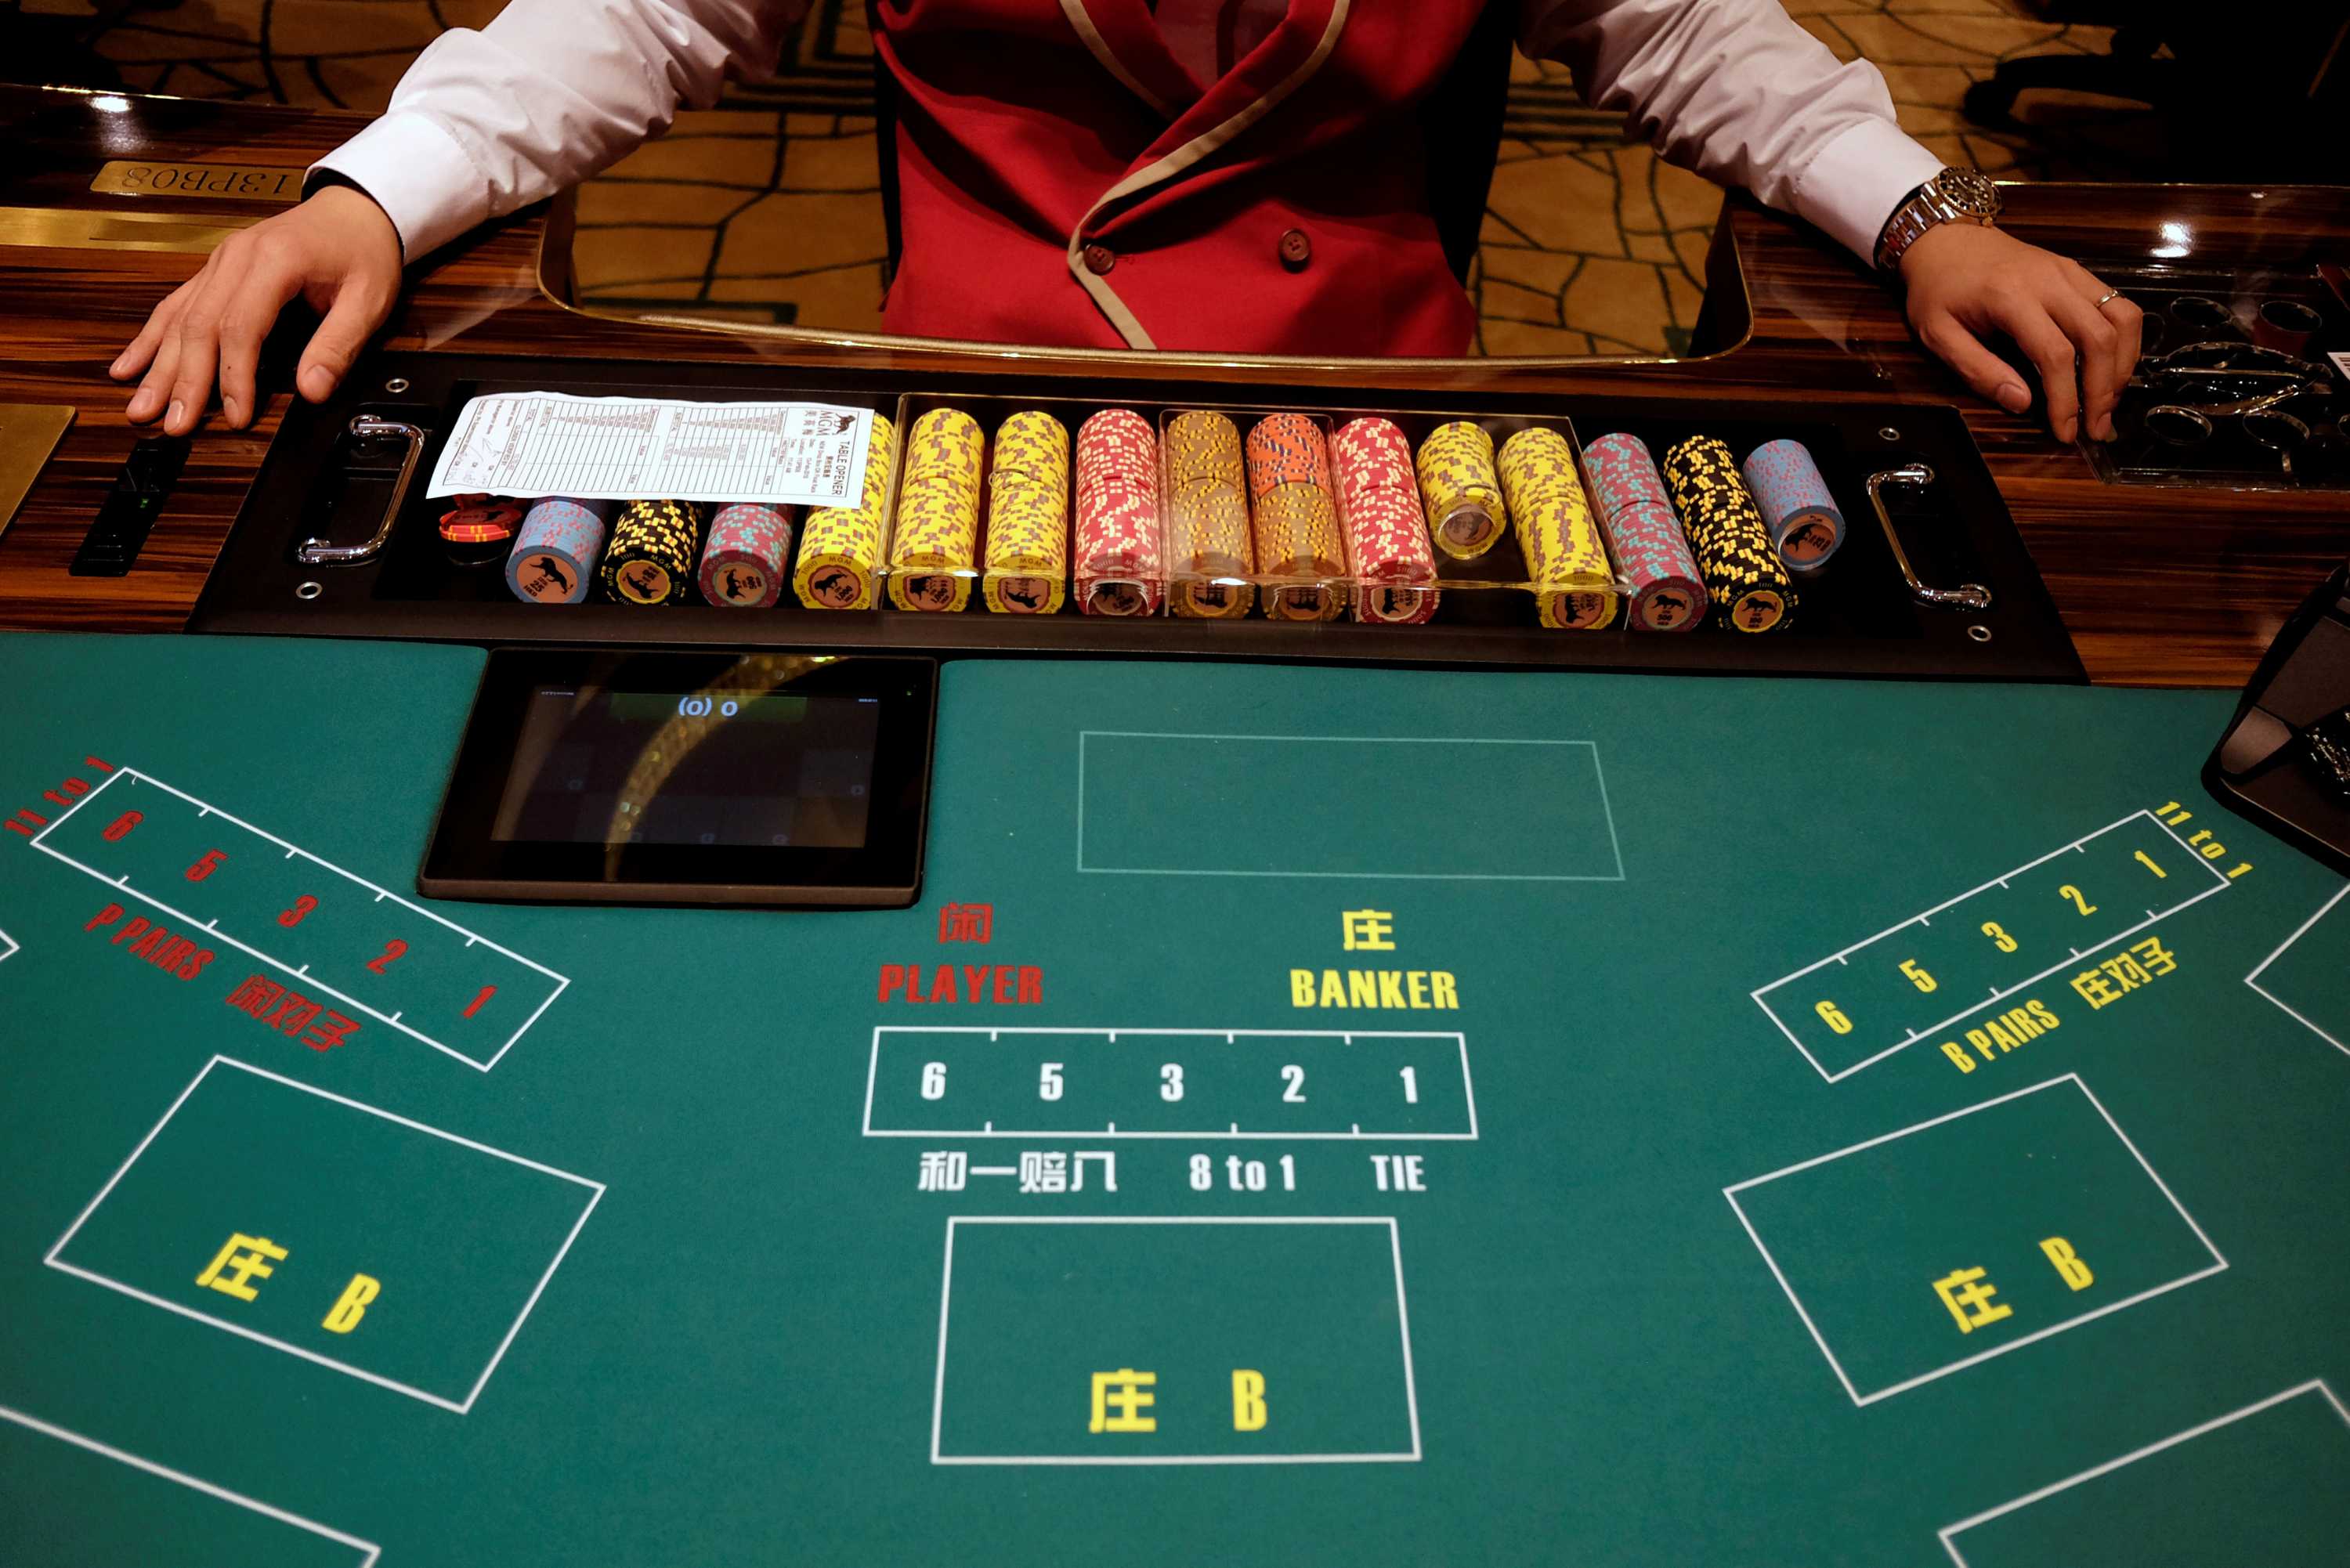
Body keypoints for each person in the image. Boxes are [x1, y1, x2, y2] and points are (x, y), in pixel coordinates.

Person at [111, 0, 2142, 445]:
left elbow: (1681, 25)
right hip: (973, 429)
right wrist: (377, 188)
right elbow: (647, 7)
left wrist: (1922, 211)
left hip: (1378, 445)